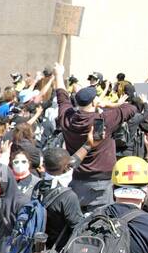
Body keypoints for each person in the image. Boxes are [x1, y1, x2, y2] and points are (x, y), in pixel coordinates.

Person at [56, 66, 139, 210]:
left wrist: (58, 74)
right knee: (101, 219)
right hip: (102, 183)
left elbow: (62, 98)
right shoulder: (103, 119)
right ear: (94, 102)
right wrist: (107, 104)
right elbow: (131, 109)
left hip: (77, 179)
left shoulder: (67, 118)